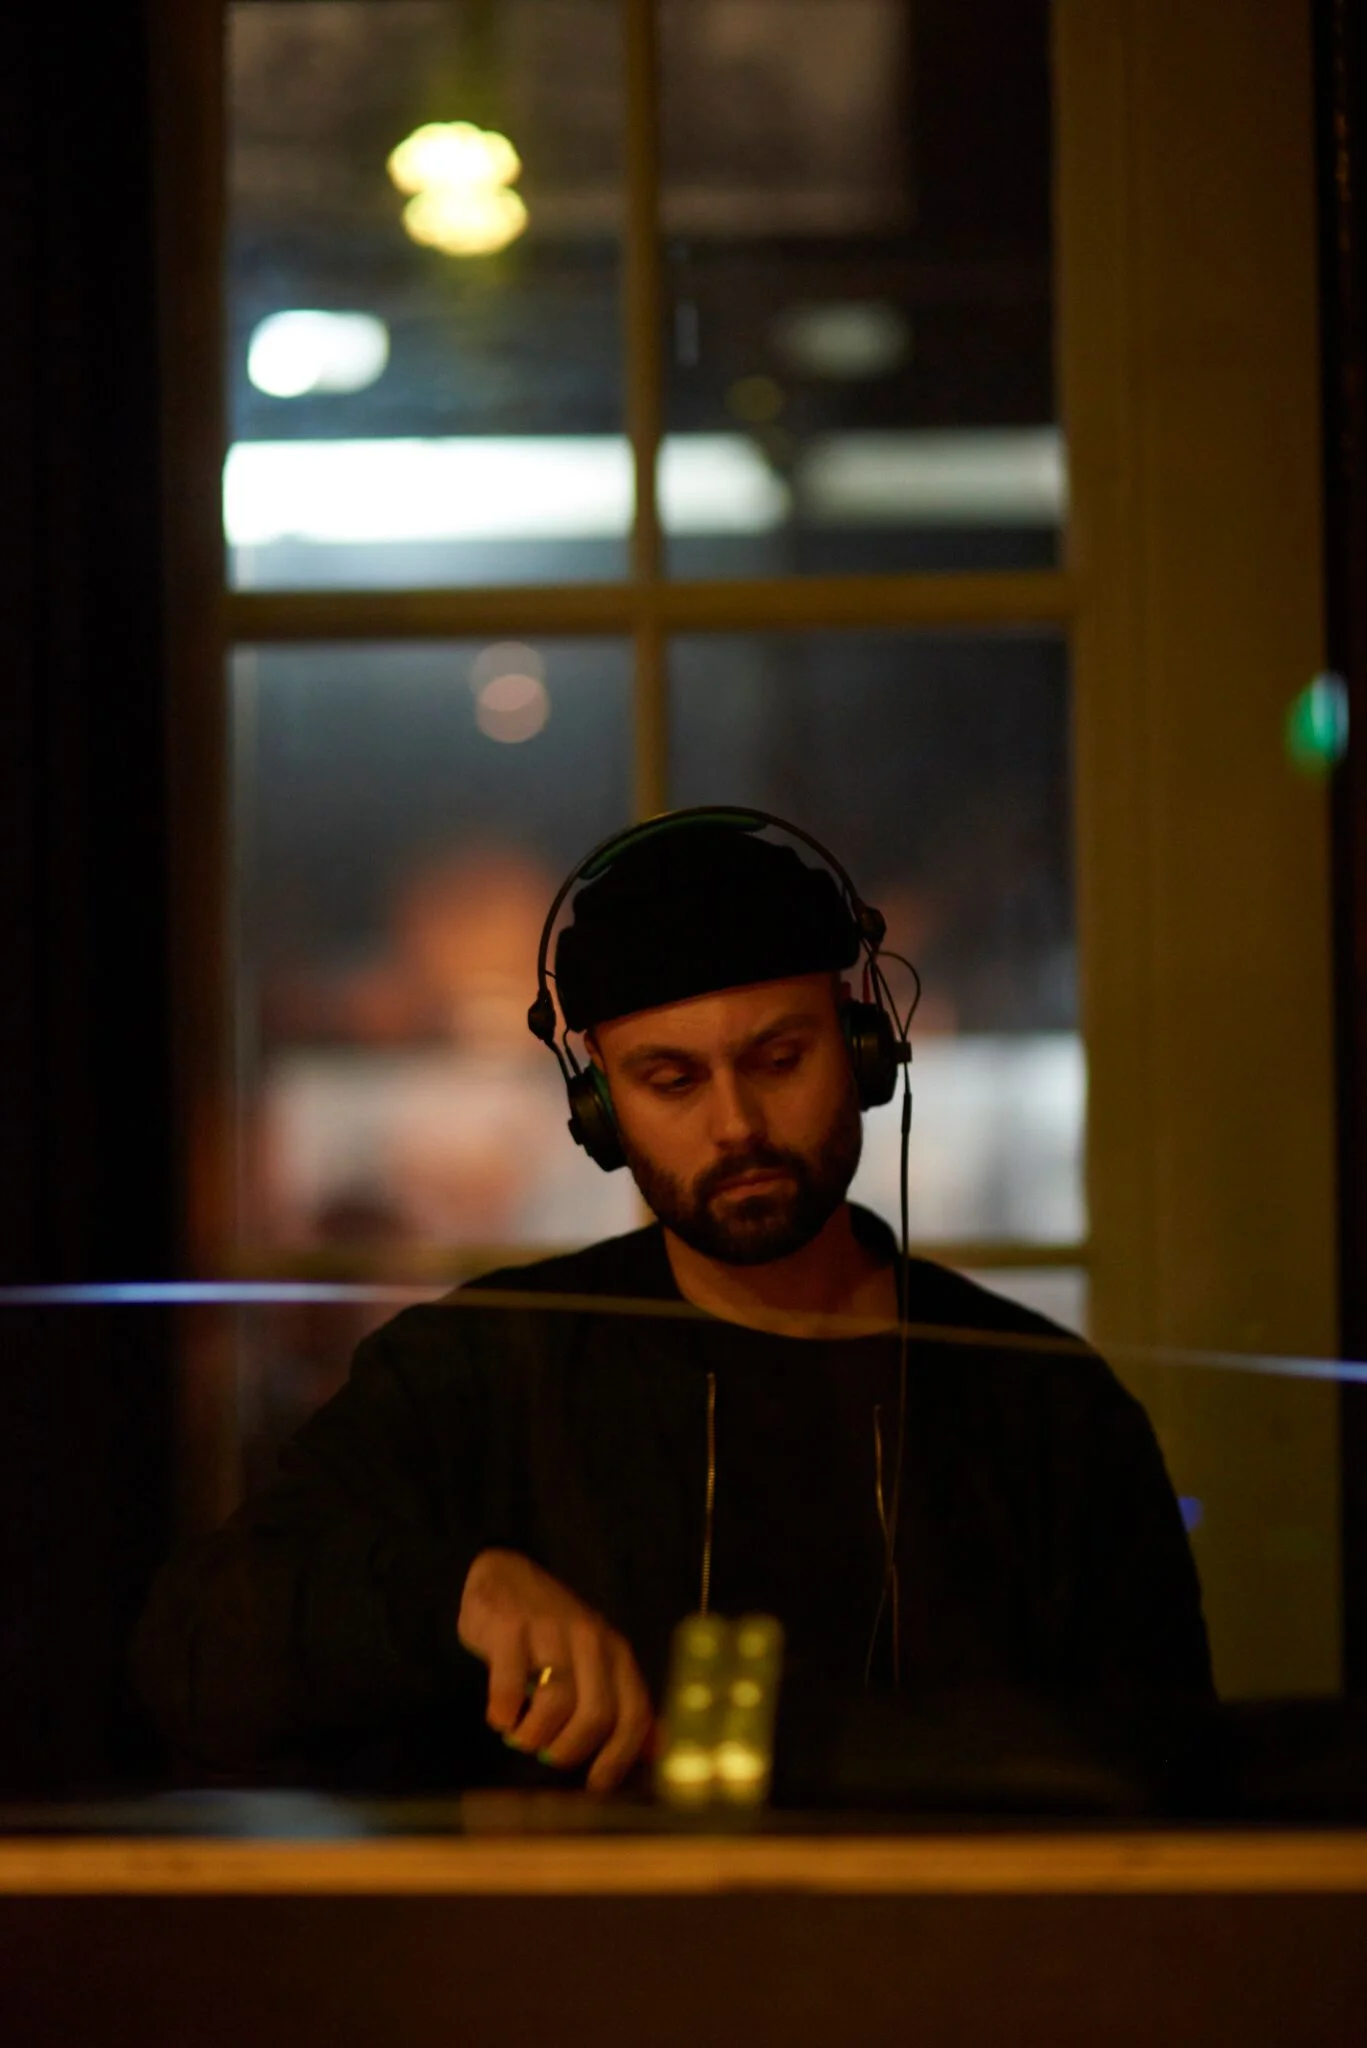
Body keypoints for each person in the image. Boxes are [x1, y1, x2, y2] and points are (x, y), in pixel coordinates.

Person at [134, 813, 1213, 1803]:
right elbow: (195, 1651)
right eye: (671, 1080)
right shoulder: (477, 1367)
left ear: (863, 1047)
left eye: (778, 1059)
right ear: (598, 1103)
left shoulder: (1042, 1403)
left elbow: (1164, 1777)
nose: (735, 1124)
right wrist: (452, 1594)